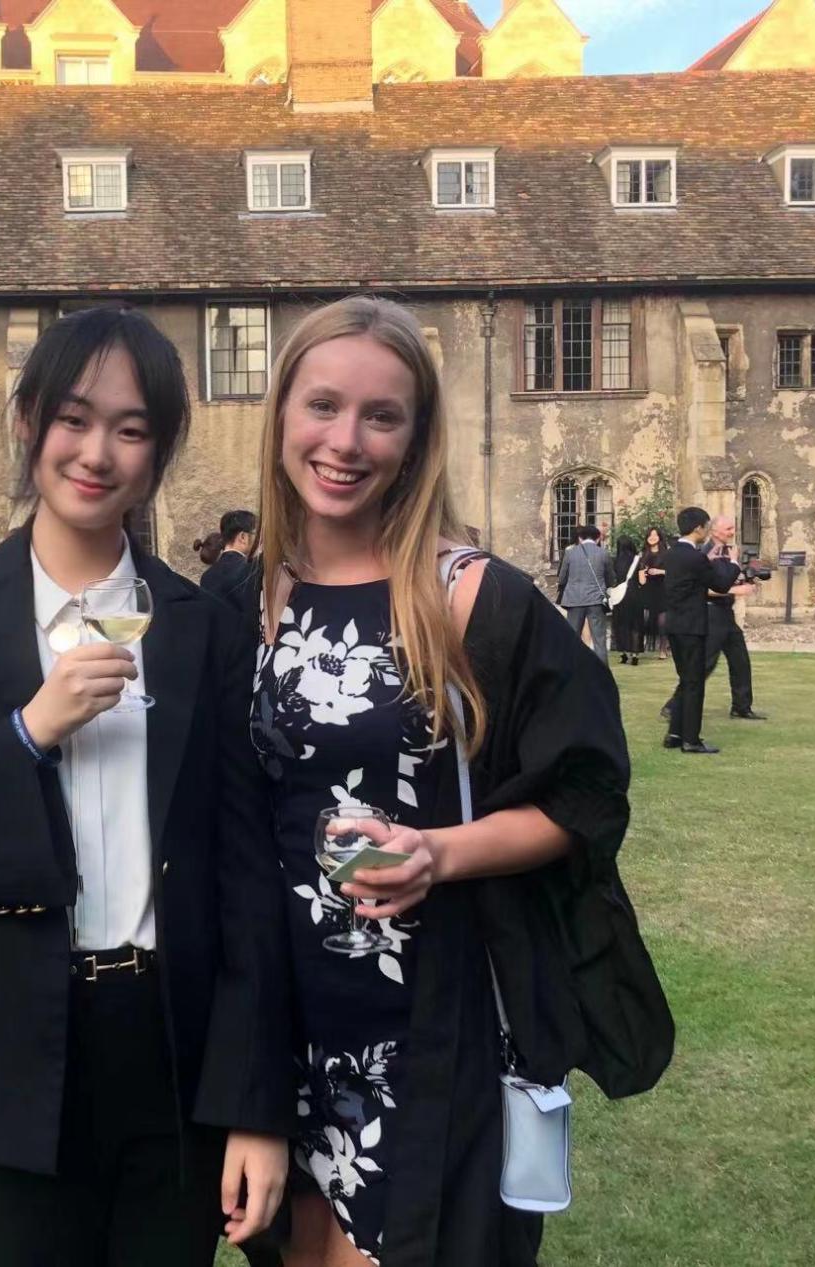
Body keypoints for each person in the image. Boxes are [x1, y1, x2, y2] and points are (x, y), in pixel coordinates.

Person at [0, 306, 293, 1267]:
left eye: (131, 429)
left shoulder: (200, 627)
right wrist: (29, 731)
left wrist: (257, 1102)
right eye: (74, 418)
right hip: (6, 1045)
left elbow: (247, 876)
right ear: (27, 421)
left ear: (158, 451)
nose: (97, 453)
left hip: (172, 1050)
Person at [248, 297, 672, 1267]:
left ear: (417, 437)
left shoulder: (472, 598)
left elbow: (584, 792)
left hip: (431, 1023)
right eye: (322, 405)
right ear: (280, 415)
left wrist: (439, 852)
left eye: (381, 415)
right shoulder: (244, 600)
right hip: (279, 1027)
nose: (344, 441)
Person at [660, 514, 766, 723]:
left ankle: (741, 706)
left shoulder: (727, 552)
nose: (732, 532)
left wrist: (744, 579)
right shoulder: (702, 553)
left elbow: (727, 578)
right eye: (728, 529)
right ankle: (673, 706)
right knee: (704, 664)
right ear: (714, 530)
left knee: (740, 660)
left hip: (727, 614)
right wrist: (737, 590)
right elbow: (703, 588)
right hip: (710, 614)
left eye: (732, 528)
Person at [660, 506, 741, 755]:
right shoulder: (695, 557)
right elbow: (721, 583)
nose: (707, 530)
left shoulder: (672, 553)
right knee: (694, 683)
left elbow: (692, 580)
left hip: (674, 624)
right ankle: (691, 740)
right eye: (706, 526)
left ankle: (675, 734)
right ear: (698, 528)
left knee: (686, 680)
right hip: (692, 626)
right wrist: (734, 562)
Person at [556, 524, 614, 663]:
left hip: (574, 599)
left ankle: (571, 670)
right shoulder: (603, 553)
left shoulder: (570, 553)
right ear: (598, 538)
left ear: (580, 538)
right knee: (599, 640)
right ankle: (602, 671)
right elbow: (611, 579)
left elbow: (562, 578)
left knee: (572, 638)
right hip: (596, 600)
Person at [200, 509, 259, 610]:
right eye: (257, 535)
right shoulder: (251, 570)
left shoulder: (206, 577)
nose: (259, 540)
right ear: (243, 537)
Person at [610, 534, 644, 665]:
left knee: (620, 624)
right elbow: (642, 580)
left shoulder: (614, 561)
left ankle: (623, 653)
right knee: (635, 625)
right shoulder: (637, 560)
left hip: (619, 596)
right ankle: (635, 655)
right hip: (635, 595)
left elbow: (611, 579)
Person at [638, 526, 669, 657]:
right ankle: (641, 647)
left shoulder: (666, 554)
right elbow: (640, 576)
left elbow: (673, 572)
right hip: (648, 589)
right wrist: (643, 574)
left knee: (662, 621)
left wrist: (659, 571)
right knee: (645, 619)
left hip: (662, 588)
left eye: (655, 535)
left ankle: (663, 648)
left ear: (659, 537)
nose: (652, 537)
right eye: (650, 535)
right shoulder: (643, 554)